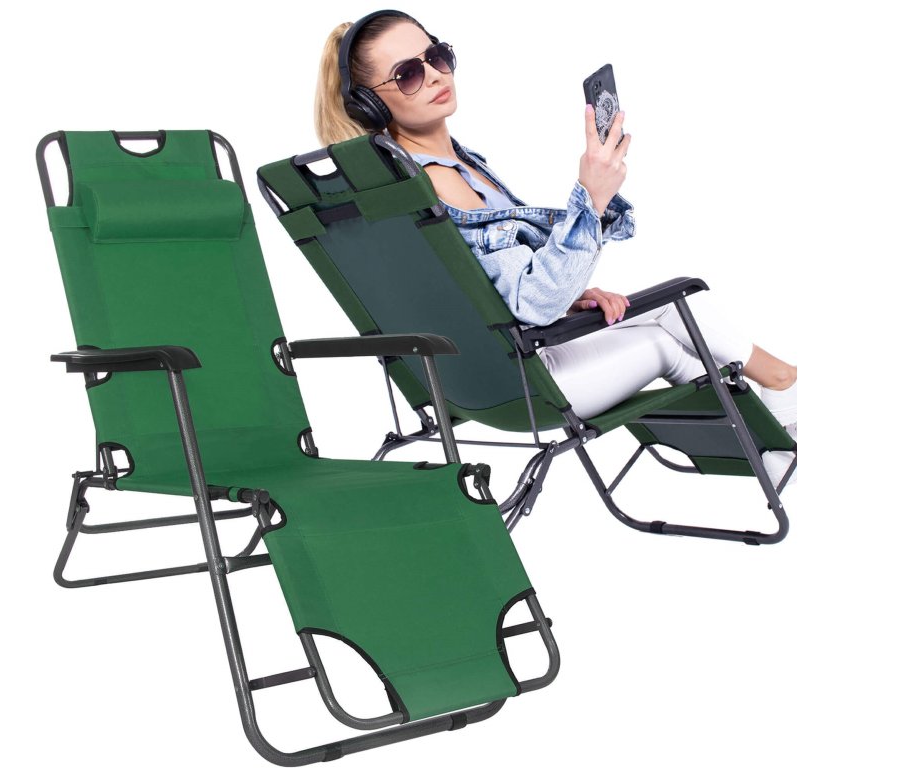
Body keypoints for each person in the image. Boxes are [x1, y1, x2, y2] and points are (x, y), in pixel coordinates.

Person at [313, 10, 796, 487]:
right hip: (527, 385)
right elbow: (534, 303)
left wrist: (572, 295)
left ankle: (778, 452)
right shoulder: (442, 181)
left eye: (436, 56)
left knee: (670, 316)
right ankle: (783, 399)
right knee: (675, 319)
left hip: (473, 383)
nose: (437, 74)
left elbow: (478, 291)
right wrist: (593, 198)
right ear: (369, 105)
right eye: (408, 74)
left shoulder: (430, 175)